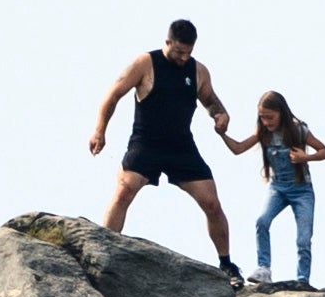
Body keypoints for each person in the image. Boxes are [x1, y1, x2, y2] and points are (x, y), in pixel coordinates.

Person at [88, 19, 240, 274]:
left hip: (181, 146)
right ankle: (105, 249)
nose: (183, 58)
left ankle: (226, 264)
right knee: (125, 189)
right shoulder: (146, 63)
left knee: (212, 204)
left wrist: (220, 115)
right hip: (146, 142)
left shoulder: (198, 71)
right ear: (167, 42)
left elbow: (211, 101)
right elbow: (113, 94)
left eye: (188, 53)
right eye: (179, 52)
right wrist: (99, 131)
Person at [231, 92, 325, 284]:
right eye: (262, 117)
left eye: (270, 117)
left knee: (303, 239)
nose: (266, 122)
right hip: (277, 188)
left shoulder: (298, 130)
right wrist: (221, 133)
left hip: (302, 190)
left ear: (281, 113)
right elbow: (238, 148)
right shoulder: (263, 133)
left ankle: (302, 280)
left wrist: (305, 157)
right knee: (262, 221)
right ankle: (263, 268)